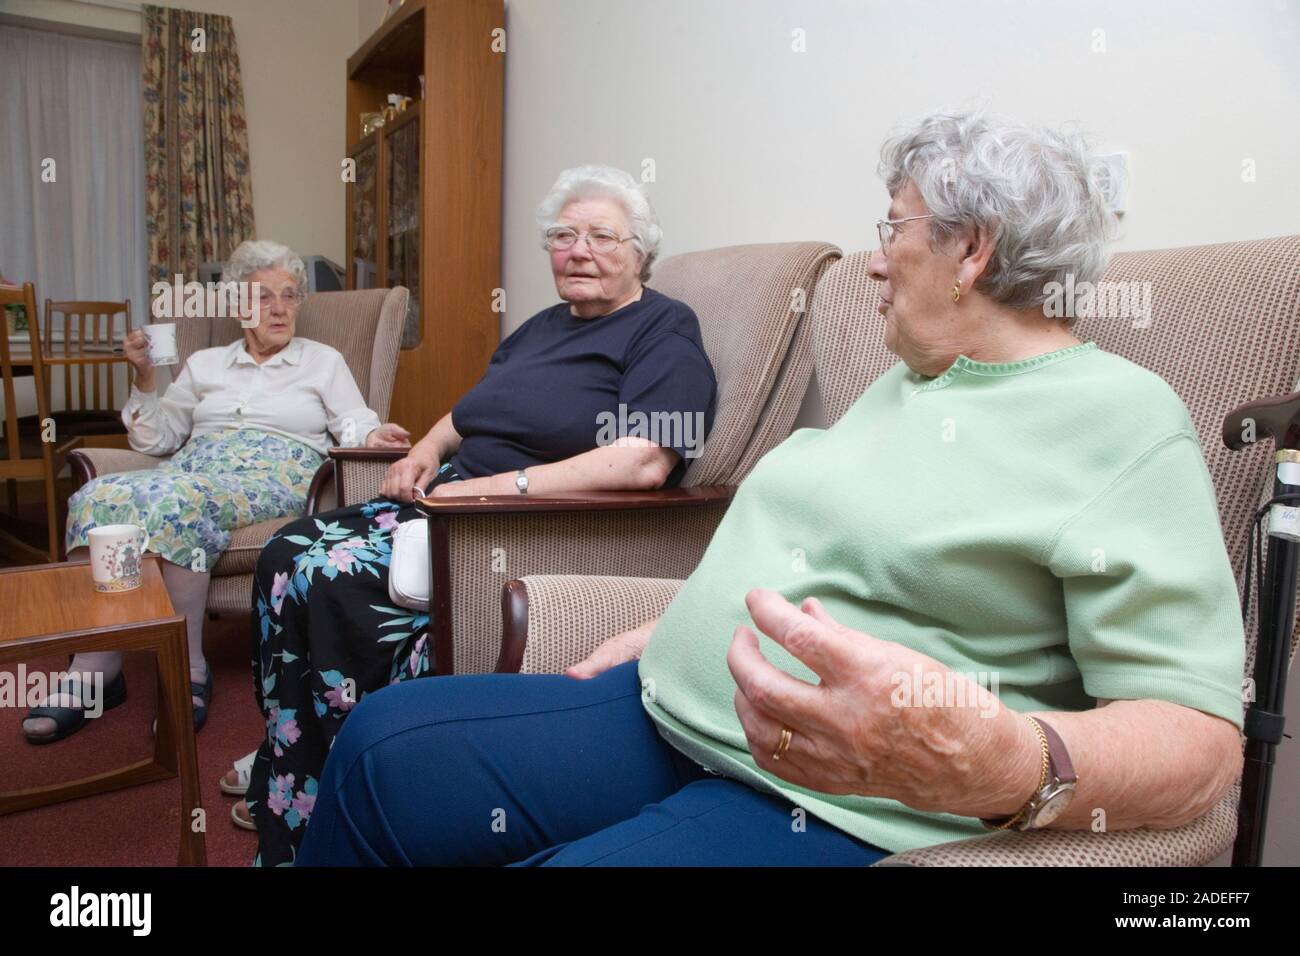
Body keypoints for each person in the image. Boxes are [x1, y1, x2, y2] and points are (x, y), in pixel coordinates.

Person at [294, 111, 1246, 866]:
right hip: (670, 710)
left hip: (824, 797)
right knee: (382, 748)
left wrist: (1005, 762)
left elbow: (1203, 743)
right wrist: (688, 617)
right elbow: (833, 560)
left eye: (894, 228)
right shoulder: (910, 381)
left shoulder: (1120, 419)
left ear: (973, 250)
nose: (874, 258)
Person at [237, 165, 718, 865]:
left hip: (509, 524)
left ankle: (345, 788)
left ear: (639, 251)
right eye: (563, 235)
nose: (578, 250)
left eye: (602, 236)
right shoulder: (540, 328)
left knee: (327, 575)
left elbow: (646, 460)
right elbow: (469, 412)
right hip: (452, 500)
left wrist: (490, 490)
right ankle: (292, 765)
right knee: (285, 552)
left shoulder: (661, 328)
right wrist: (426, 451)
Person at [22, 239, 408, 744]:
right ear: (237, 306)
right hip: (193, 467)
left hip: (274, 472)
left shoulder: (322, 361)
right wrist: (144, 378)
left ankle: (188, 665)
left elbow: (354, 420)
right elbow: (158, 438)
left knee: (178, 500)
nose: (279, 308)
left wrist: (373, 434)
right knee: (99, 495)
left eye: (289, 296)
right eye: (263, 296)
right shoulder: (204, 364)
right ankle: (98, 662)